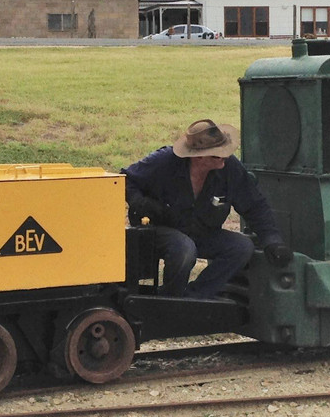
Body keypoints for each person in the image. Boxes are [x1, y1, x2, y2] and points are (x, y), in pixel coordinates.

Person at [122, 119, 292, 300]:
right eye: (217, 155)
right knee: (185, 249)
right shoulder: (163, 161)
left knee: (241, 247)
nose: (225, 157)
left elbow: (254, 205)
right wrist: (140, 203)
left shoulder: (229, 168)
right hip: (161, 231)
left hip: (202, 232)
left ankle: (193, 298)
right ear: (198, 156)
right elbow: (125, 178)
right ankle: (169, 301)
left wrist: (272, 240)